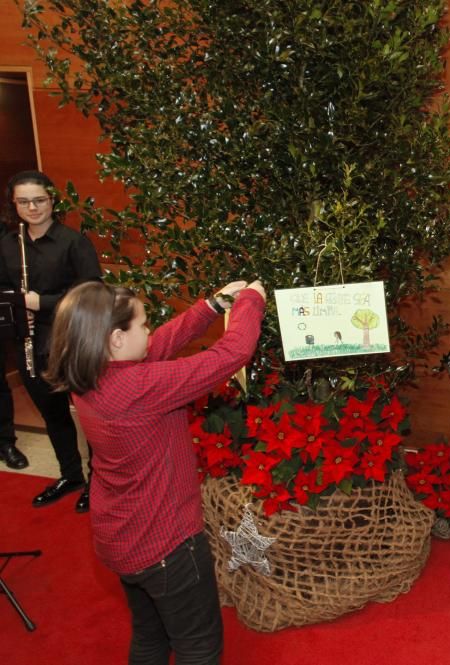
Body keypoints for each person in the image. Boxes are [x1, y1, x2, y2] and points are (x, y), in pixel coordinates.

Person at [45, 278, 266, 665]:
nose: (149, 330)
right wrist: (251, 300)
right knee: (199, 646)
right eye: (143, 323)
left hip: (122, 540)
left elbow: (156, 346)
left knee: (151, 635)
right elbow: (230, 355)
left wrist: (212, 306)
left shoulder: (88, 373)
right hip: (168, 546)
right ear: (115, 339)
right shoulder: (137, 389)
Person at [0, 170, 101, 510]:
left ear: (52, 200)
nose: (32, 207)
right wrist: (16, 306)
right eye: (23, 202)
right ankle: (71, 475)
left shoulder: (74, 242)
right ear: (14, 205)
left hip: (71, 341)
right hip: (29, 342)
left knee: (89, 416)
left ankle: (98, 483)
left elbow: (91, 294)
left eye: (39, 200)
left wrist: (39, 302)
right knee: (54, 415)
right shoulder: (8, 245)